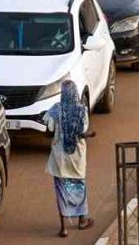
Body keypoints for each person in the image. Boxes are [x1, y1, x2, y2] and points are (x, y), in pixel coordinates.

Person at [44, 79, 94, 236]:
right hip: (77, 158)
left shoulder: (55, 110)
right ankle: (81, 220)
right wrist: (90, 135)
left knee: (61, 192)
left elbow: (48, 128)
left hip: (60, 159)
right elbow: (83, 131)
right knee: (79, 188)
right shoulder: (82, 111)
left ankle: (63, 228)